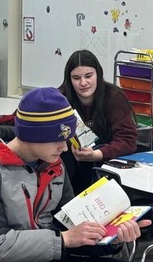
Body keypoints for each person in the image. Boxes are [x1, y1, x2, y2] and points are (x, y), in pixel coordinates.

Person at [0, 86, 145, 262]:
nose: (64, 148)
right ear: (32, 135)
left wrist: (110, 236)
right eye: (58, 139)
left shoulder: (54, 164)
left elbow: (70, 223)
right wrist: (65, 239)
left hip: (47, 258)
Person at [58, 49, 138, 193]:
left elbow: (128, 140)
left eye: (88, 76)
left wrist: (97, 154)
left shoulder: (113, 97)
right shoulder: (60, 97)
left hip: (105, 167)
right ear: (69, 79)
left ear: (98, 74)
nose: (83, 83)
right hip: (68, 168)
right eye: (76, 78)